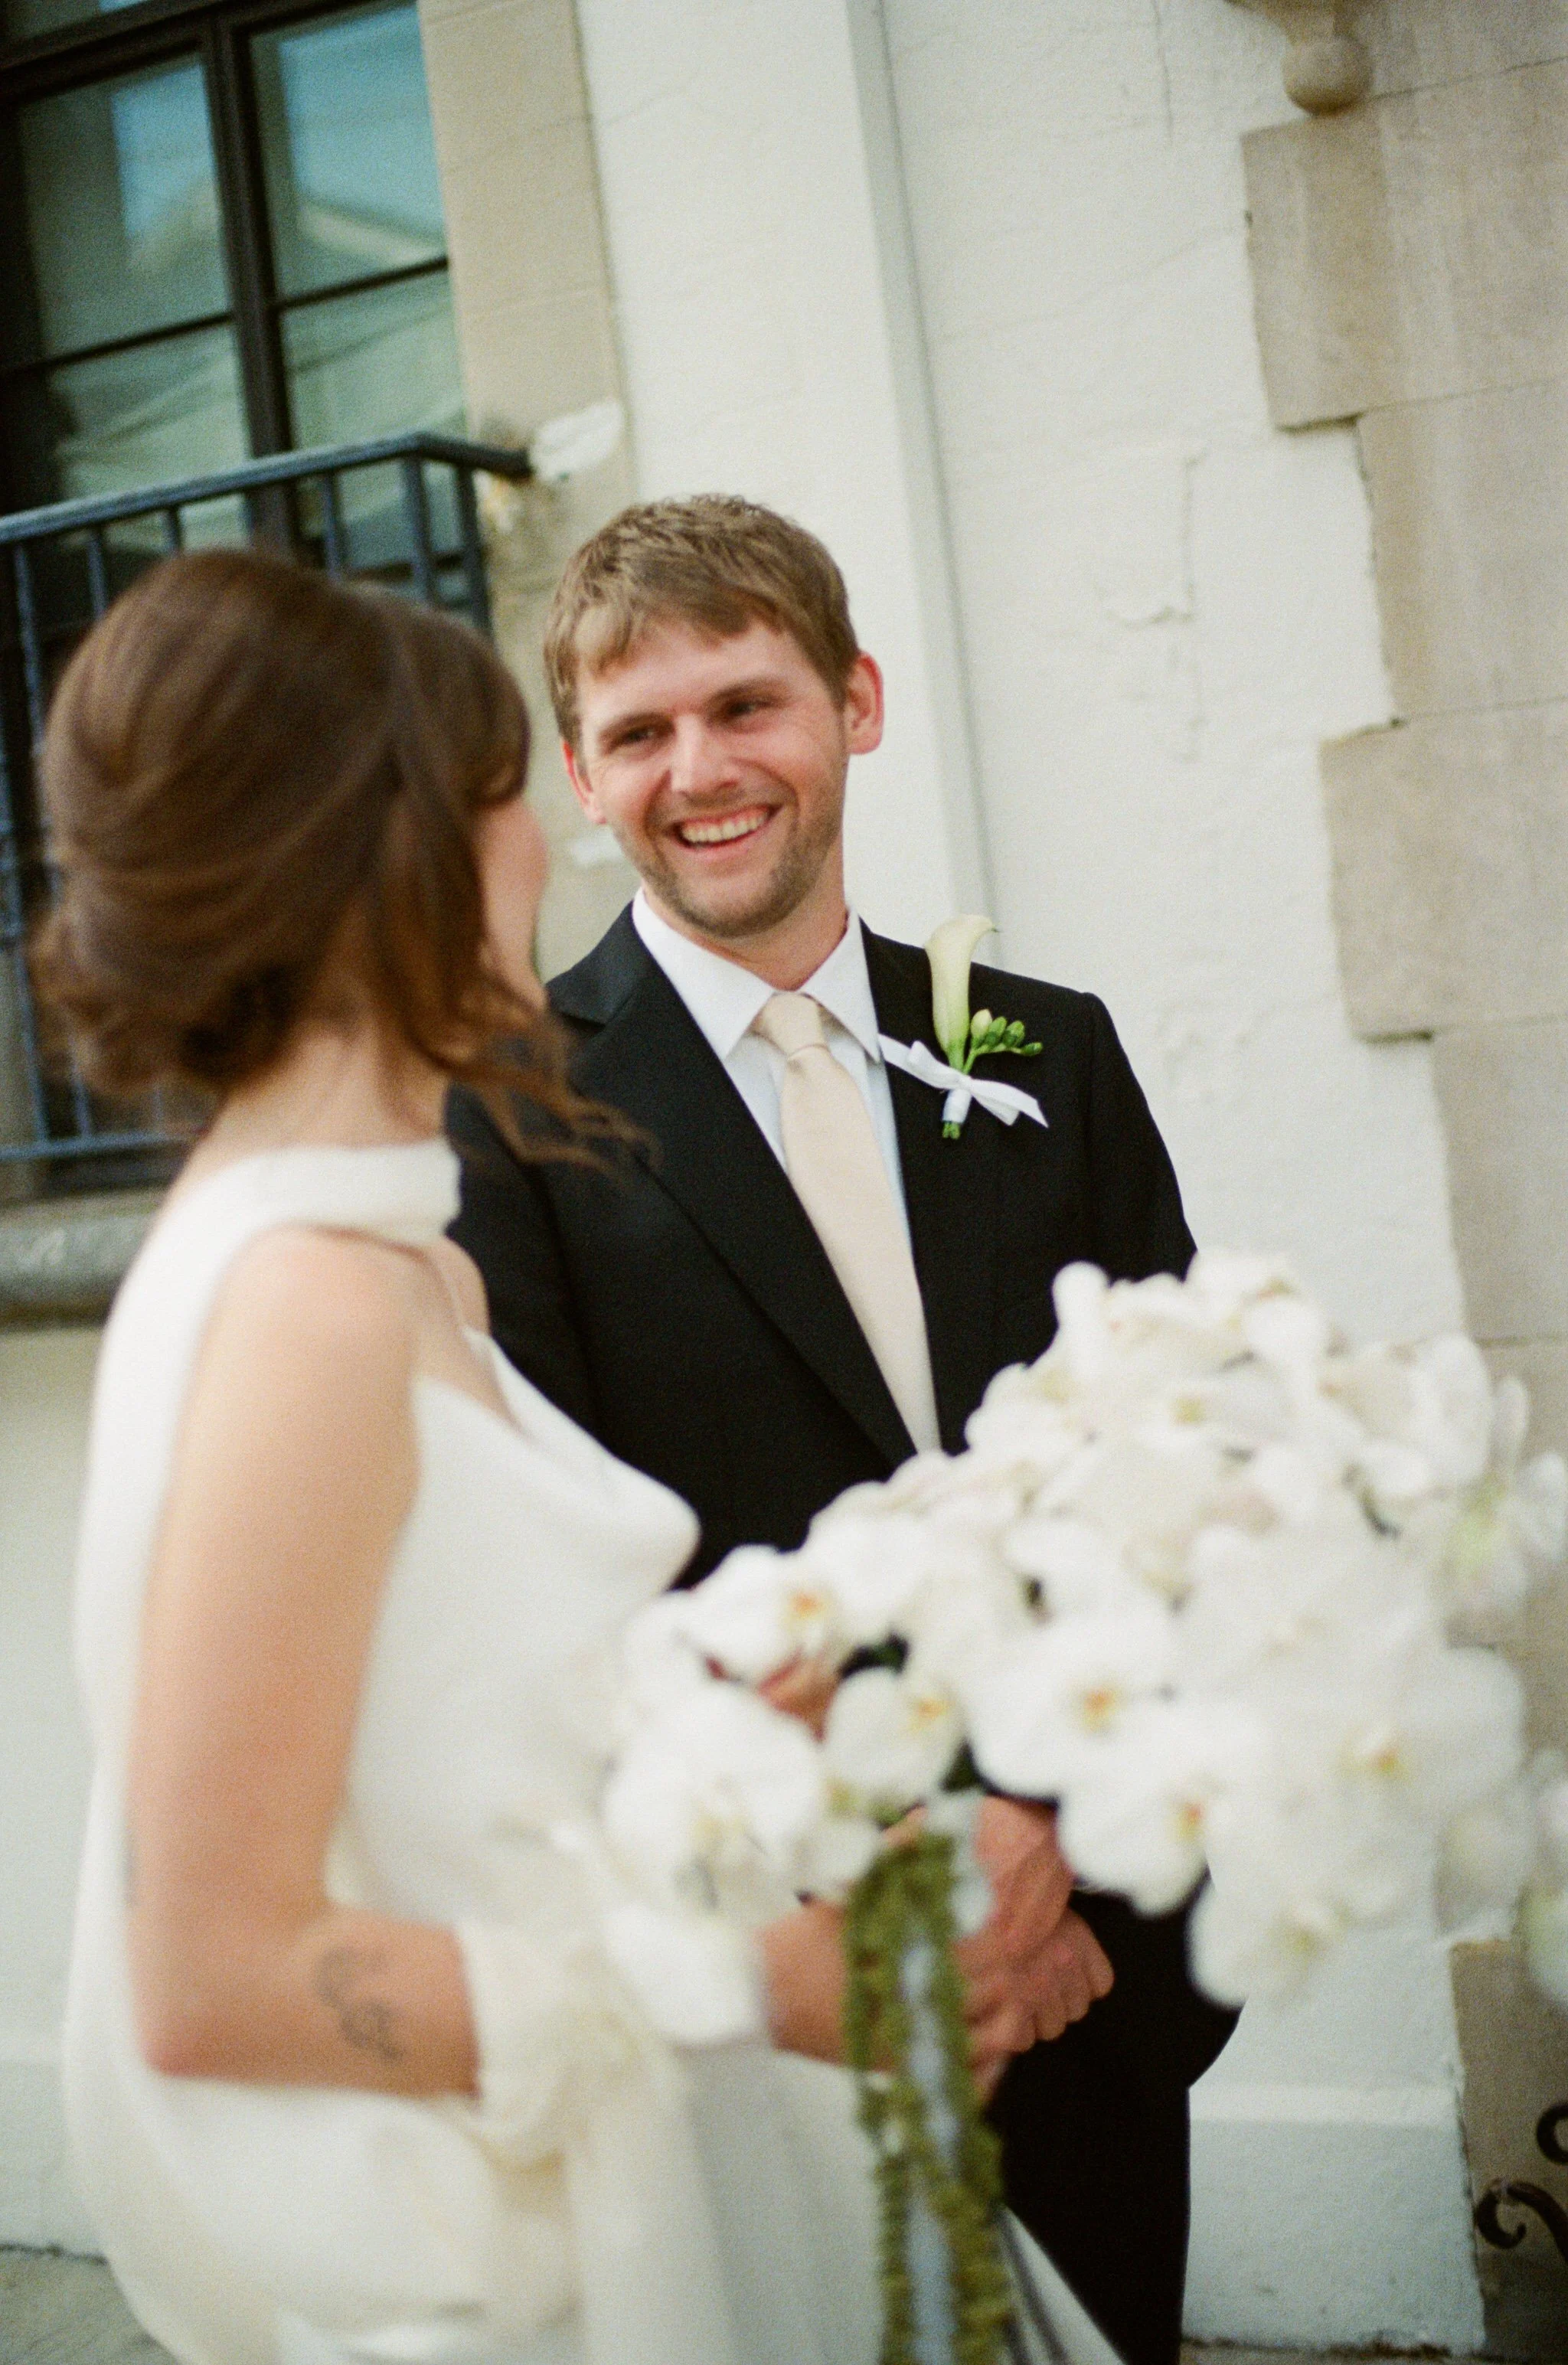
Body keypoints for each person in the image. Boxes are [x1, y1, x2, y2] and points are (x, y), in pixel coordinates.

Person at [42, 547, 1106, 2365]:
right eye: (504, 801)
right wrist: (747, 1982)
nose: (541, 848)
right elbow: (210, 1982)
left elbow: (437, 1741)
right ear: (406, 849)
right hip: (571, 2273)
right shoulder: (296, 1305)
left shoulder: (385, 1251)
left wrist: (695, 1716)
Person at [449, 495, 1240, 2365]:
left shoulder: (1044, 1049)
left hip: (1083, 1941)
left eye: (747, 704)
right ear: (579, 771)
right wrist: (865, 1886)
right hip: (777, 1976)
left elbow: (1177, 1456)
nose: (699, 770)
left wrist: (1038, 1825)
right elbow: (550, 1582)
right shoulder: (509, 1112)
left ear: (856, 702)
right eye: (639, 732)